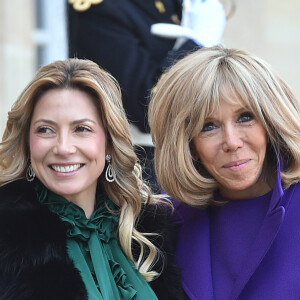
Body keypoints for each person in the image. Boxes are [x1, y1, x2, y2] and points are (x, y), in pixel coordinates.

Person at [0, 58, 184, 300]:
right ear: (27, 142)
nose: (63, 148)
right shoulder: (7, 236)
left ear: (109, 142)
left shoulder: (150, 234)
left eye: (81, 129)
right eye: (45, 129)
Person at [148, 46, 300, 299]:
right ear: (189, 145)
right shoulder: (162, 223)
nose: (231, 141)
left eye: (245, 117)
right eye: (208, 126)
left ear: (270, 123)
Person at [67, 0, 227, 192]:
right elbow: (146, 107)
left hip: (196, 162)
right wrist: (198, 44)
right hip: (143, 173)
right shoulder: (100, 8)